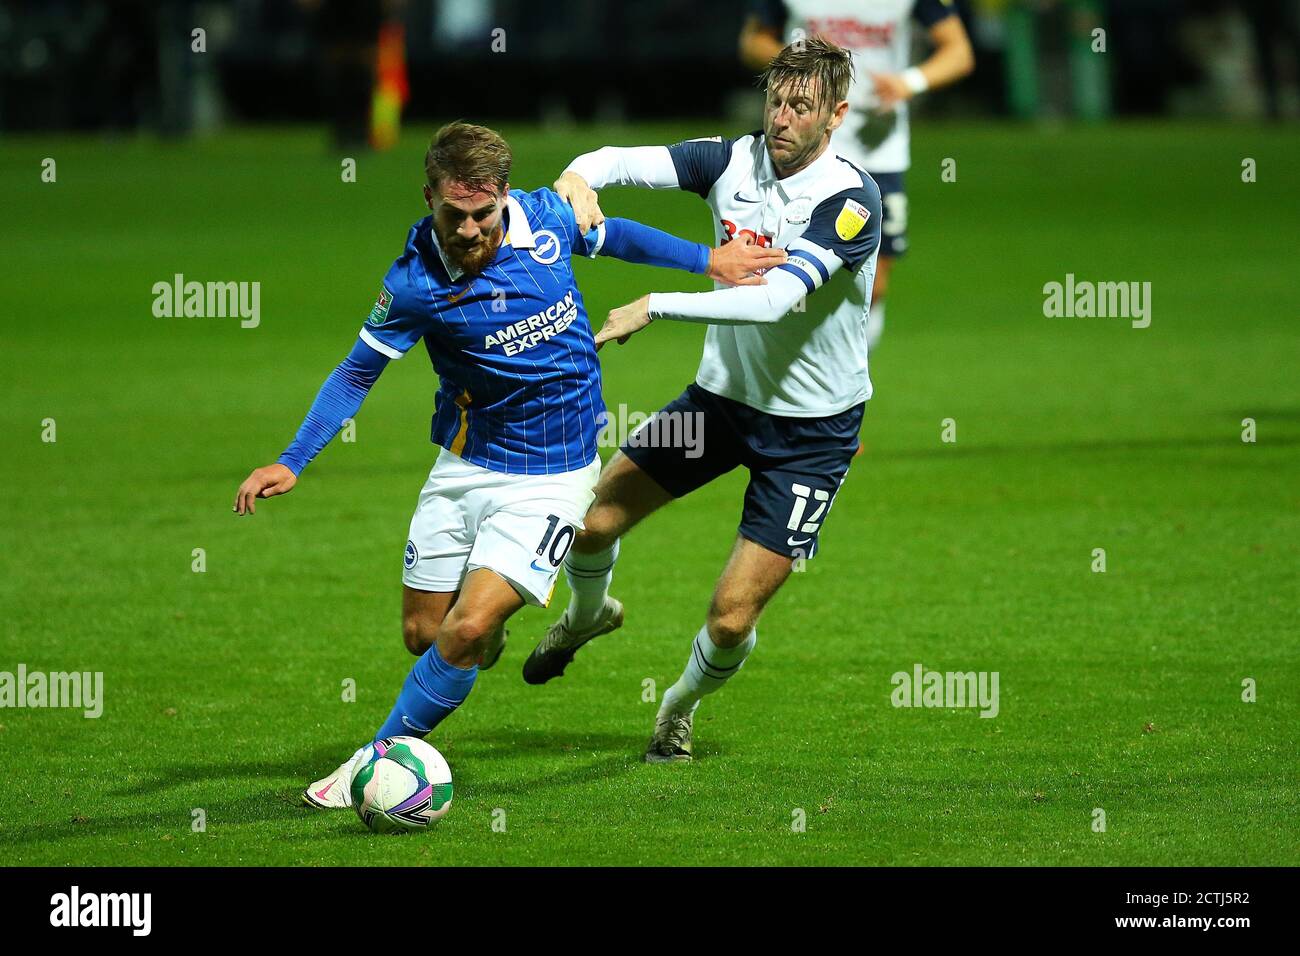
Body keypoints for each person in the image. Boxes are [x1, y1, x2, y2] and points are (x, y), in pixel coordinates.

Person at [232, 122, 785, 806]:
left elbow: (617, 236)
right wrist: (293, 460)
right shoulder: (411, 284)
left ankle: (369, 767)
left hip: (555, 475)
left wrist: (710, 260)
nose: (468, 231)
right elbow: (355, 374)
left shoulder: (550, 217)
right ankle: (484, 638)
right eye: (452, 215)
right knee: (425, 635)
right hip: (464, 464)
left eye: (483, 215)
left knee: (463, 630)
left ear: (503, 199)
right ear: (428, 197)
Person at [523, 39, 882, 763]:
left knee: (728, 618)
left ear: (836, 115)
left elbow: (777, 301)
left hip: (810, 435)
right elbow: (614, 158)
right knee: (589, 525)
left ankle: (677, 705)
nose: (781, 118)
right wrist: (577, 179)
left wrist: (656, 303)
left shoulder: (850, 201)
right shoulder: (730, 161)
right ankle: (588, 616)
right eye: (775, 101)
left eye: (801, 106)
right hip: (719, 406)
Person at [740, 0, 973, 351]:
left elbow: (959, 50)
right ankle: (786, 382)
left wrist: (909, 81)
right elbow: (753, 41)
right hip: (804, 146)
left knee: (873, 283)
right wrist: (802, 70)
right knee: (787, 271)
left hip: (879, 149)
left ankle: (847, 385)